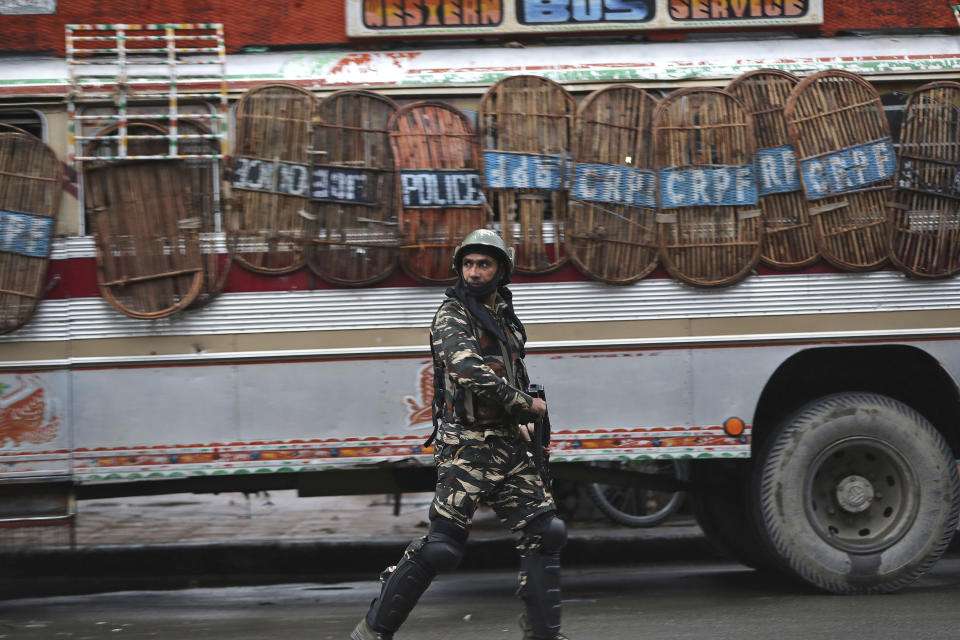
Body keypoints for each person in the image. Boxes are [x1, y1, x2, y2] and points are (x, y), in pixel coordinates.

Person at [352, 229, 570, 640]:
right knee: (442, 548)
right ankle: (372, 632)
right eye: (468, 264)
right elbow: (469, 372)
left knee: (546, 532)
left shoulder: (502, 312)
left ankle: (544, 635)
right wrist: (528, 406)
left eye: (483, 264)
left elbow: (511, 369)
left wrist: (522, 419)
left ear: (500, 269)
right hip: (468, 449)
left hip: (508, 445)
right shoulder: (452, 314)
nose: (474, 272)